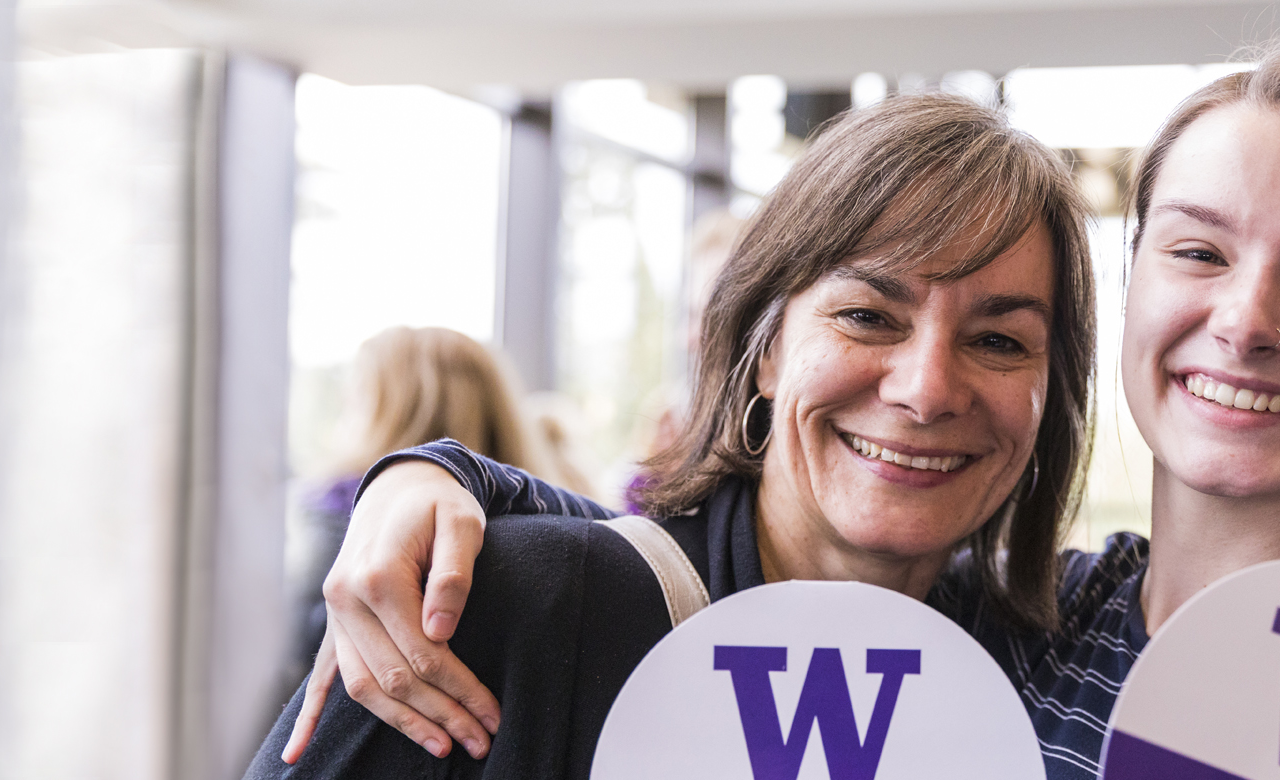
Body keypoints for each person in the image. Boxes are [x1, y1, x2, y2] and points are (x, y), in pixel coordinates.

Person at [294, 45, 1280, 780]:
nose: (1249, 319)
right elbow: (700, 577)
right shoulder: (1011, 630)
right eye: (1202, 251)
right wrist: (442, 479)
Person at [245, 92, 1098, 777]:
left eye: (998, 340)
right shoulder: (521, 606)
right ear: (764, 349)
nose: (926, 390)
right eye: (869, 315)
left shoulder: (1032, 677)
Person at [290, 327, 574, 668]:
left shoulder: (343, 509)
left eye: (357, 398)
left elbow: (309, 642)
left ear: (388, 413)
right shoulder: (553, 521)